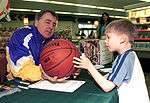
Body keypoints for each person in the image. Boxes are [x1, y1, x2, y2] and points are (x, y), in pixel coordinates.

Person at [73, 19, 150, 103]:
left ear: (122, 39)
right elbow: (111, 76)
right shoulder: (128, 55)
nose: (105, 41)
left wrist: (89, 66)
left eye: (108, 37)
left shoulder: (125, 58)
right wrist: (89, 70)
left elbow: (107, 86)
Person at [6, 9, 67, 82]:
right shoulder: (21, 35)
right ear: (36, 22)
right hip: (20, 82)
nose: (51, 27)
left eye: (54, 24)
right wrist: (44, 74)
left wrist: (72, 67)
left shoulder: (54, 39)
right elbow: (22, 68)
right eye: (47, 22)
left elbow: (61, 60)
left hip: (46, 81)